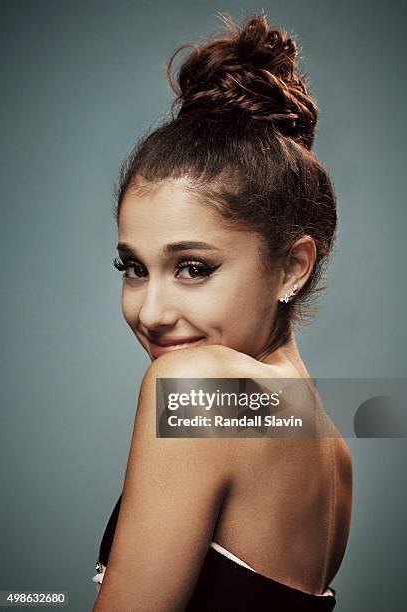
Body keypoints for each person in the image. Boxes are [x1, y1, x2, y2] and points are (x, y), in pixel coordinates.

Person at [92, 12, 353, 611]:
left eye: (194, 267)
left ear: (292, 266)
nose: (151, 311)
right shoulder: (330, 447)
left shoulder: (198, 386)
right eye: (133, 268)